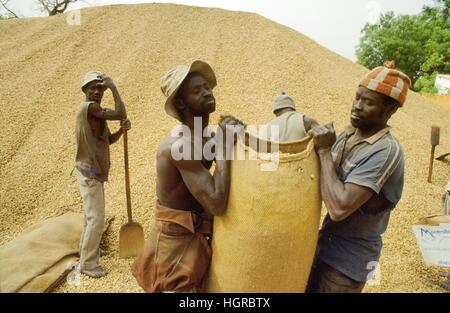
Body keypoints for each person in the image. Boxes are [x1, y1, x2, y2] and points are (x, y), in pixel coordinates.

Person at [132, 60, 243, 293]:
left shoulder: (205, 138)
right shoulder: (180, 146)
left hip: (195, 244)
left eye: (207, 87)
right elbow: (216, 203)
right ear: (181, 103)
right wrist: (224, 146)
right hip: (173, 254)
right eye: (197, 90)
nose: (207, 92)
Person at [306, 62, 411, 292]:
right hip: (323, 246)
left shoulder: (385, 151)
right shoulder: (348, 135)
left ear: (389, 111)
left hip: (348, 264)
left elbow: (339, 207)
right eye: (357, 98)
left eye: (368, 102)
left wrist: (324, 150)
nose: (357, 106)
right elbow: (323, 177)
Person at [74, 71, 131, 278]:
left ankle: (88, 249)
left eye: (101, 88)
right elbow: (120, 113)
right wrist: (113, 86)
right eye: (93, 88)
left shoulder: (96, 115)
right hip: (89, 172)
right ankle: (88, 264)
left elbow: (108, 140)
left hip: (93, 172)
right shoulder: (88, 108)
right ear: (85, 90)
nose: (97, 91)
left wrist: (121, 132)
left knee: (91, 216)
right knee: (96, 218)